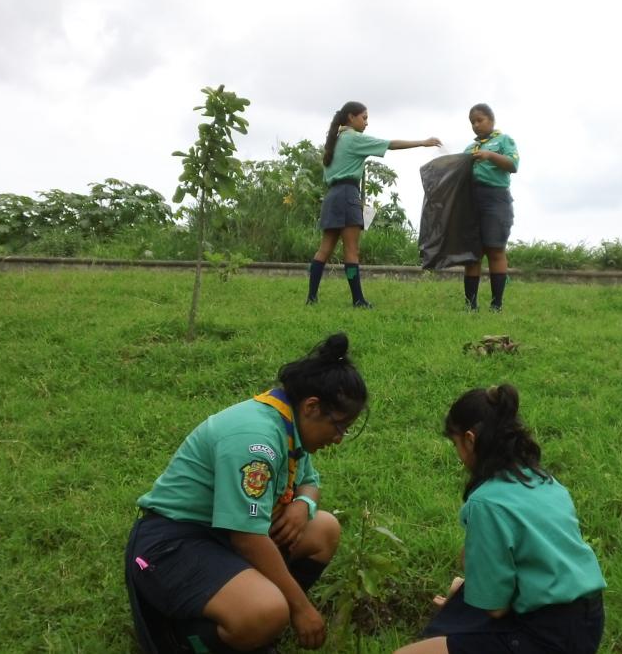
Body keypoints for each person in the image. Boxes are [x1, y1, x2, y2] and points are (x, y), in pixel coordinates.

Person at [124, 333, 368, 653]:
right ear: (312, 406)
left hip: (219, 534)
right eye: (339, 426)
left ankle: (251, 620)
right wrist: (301, 609)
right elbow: (247, 539)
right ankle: (186, 637)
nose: (339, 438)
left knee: (323, 529)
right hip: (173, 544)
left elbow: (309, 480)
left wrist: (303, 503)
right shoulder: (257, 440)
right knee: (270, 610)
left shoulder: (288, 423)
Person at [396, 384, 606, 654]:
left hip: (545, 635)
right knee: (460, 597)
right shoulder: (545, 481)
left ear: (470, 440)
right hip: (588, 620)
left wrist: (468, 590)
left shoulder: (486, 503)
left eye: (456, 444)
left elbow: (496, 608)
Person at [306, 101, 442, 308]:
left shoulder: (335, 139)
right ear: (351, 117)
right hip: (347, 194)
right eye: (364, 117)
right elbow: (390, 144)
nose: (367, 123)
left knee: (324, 249)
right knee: (351, 250)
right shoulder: (353, 138)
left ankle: (312, 298)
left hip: (332, 196)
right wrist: (422, 142)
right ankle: (358, 300)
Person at [462, 104, 519, 312]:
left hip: (496, 200)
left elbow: (513, 166)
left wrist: (490, 156)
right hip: (472, 201)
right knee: (472, 254)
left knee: (495, 250)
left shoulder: (504, 141)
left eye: (480, 120)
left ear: (491, 120)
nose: (476, 125)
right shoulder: (469, 149)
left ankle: (496, 304)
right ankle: (471, 305)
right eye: (472, 122)